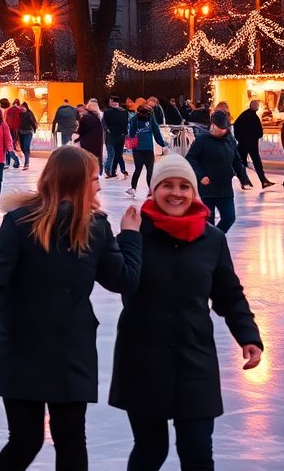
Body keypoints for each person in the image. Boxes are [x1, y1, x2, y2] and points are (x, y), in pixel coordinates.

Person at [0, 145, 143, 471]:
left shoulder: (96, 227)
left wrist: (130, 237)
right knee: (26, 438)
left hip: (71, 350)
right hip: (22, 349)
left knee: (71, 438)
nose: (99, 185)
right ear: (74, 182)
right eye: (93, 178)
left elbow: (123, 280)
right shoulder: (20, 224)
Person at [109, 154, 263, 471]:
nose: (176, 193)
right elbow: (119, 282)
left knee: (197, 452)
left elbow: (229, 295)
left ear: (194, 191)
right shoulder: (136, 233)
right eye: (167, 185)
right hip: (143, 360)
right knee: (151, 450)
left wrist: (248, 335)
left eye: (184, 186)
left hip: (194, 359)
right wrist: (128, 239)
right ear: (153, 190)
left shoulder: (212, 239)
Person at [184, 111, 252, 232]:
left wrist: (244, 179)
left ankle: (216, 237)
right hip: (208, 186)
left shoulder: (230, 140)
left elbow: (236, 160)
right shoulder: (202, 140)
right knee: (209, 220)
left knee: (229, 217)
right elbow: (191, 158)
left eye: (223, 129)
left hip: (225, 186)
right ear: (212, 125)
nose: (220, 131)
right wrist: (201, 175)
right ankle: (210, 242)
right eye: (217, 127)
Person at [125, 104, 168, 198]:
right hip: (148, 148)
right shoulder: (151, 118)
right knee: (150, 169)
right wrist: (163, 144)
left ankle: (133, 188)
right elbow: (156, 132)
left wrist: (130, 146)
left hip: (137, 148)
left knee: (138, 169)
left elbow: (130, 134)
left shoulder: (134, 119)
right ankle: (151, 189)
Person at [233, 100, 273, 188]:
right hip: (249, 143)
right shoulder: (250, 116)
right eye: (256, 105)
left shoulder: (247, 115)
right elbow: (256, 130)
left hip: (247, 143)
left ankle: (261, 181)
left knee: (246, 162)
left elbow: (236, 126)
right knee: (245, 162)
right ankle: (248, 181)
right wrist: (244, 139)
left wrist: (240, 139)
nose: (257, 107)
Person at [102, 96, 131, 179]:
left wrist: (107, 130)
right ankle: (120, 170)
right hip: (121, 136)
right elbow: (125, 124)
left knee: (111, 155)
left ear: (113, 102)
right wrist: (124, 133)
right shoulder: (124, 112)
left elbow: (104, 124)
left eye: (110, 101)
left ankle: (108, 171)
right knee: (118, 155)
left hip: (111, 136)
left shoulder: (107, 112)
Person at [75, 99, 105, 166]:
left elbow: (80, 131)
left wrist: (75, 139)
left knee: (87, 162)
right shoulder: (98, 118)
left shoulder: (85, 118)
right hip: (97, 144)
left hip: (87, 145)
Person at [0, 99, 22, 169]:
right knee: (8, 148)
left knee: (8, 148)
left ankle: (14, 161)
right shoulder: (10, 110)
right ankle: (8, 162)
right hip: (11, 130)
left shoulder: (7, 111)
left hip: (8, 130)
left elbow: (6, 122)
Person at [16, 104, 37, 169]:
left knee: (26, 146)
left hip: (28, 132)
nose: (22, 109)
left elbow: (32, 122)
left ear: (26, 108)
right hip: (21, 132)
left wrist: (34, 129)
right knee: (22, 147)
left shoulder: (29, 114)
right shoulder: (19, 114)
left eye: (23, 107)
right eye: (21, 107)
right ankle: (26, 159)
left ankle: (26, 163)